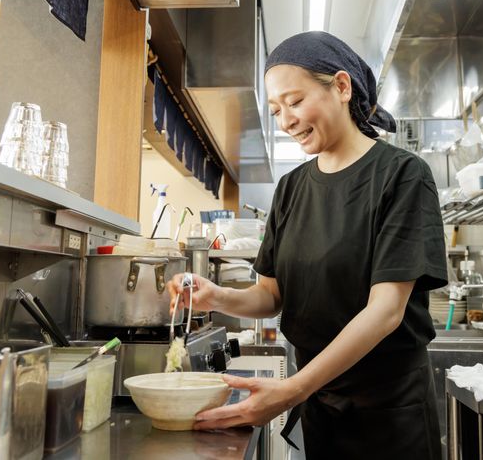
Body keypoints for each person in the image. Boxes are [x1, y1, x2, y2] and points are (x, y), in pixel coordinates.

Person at [168, 31, 447, 458]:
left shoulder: (402, 175)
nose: (285, 121)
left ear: (341, 87)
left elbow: (386, 311)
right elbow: (271, 295)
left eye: (295, 102)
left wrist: (293, 389)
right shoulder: (291, 188)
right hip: (320, 405)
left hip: (389, 412)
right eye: (276, 110)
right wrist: (216, 296)